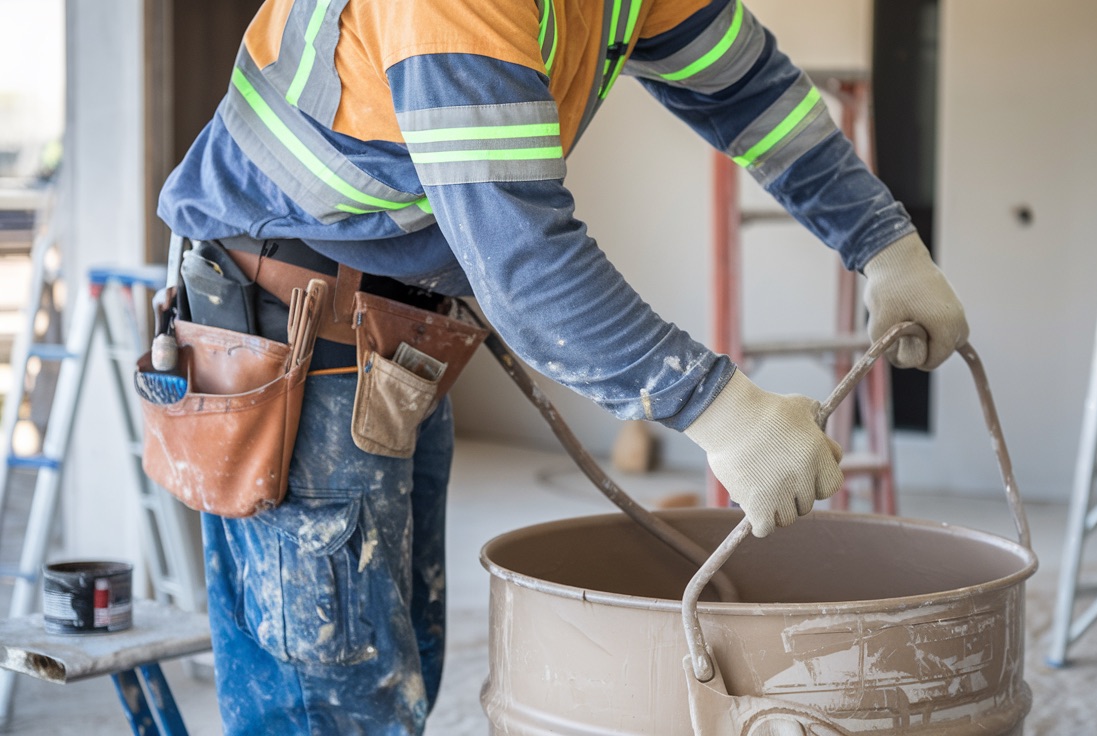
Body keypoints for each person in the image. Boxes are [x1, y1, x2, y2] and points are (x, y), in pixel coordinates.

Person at [155, 0, 969, 732]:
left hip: (395, 321)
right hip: (290, 328)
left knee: (397, 672)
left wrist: (885, 245)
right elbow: (523, 261)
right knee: (333, 704)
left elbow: (745, 91)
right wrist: (721, 410)